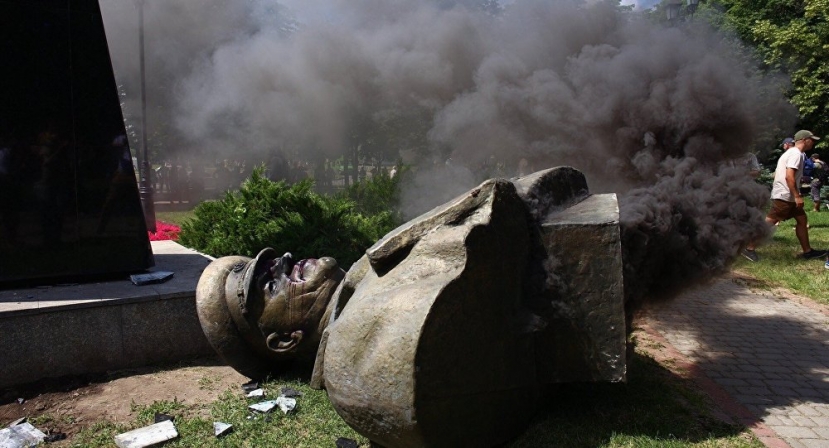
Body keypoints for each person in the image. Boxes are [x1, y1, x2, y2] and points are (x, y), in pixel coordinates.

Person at [743, 130, 825, 262]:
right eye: (812, 139)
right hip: (785, 195)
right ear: (804, 140)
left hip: (786, 194)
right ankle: (749, 247)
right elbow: (789, 176)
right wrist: (797, 196)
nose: (813, 142)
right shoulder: (796, 154)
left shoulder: (792, 153)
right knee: (770, 222)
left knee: (802, 220)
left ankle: (807, 252)